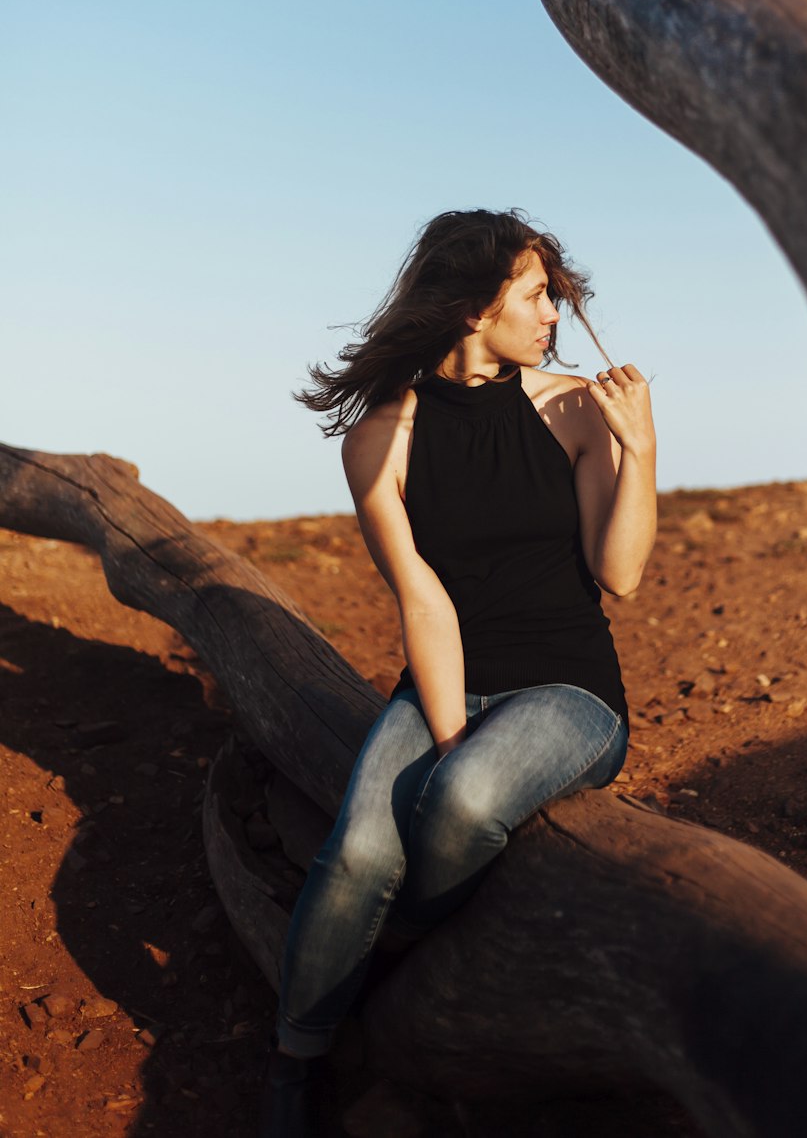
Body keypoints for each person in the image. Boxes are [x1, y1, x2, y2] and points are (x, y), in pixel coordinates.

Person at [260, 208, 657, 1136]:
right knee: (360, 848)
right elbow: (423, 604)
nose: (552, 313)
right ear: (476, 308)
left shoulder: (572, 409)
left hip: (570, 689)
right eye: (534, 296)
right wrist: (446, 738)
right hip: (447, 678)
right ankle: (297, 1061)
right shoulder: (380, 441)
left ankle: (396, 955)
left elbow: (622, 575)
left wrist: (639, 446)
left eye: (551, 296)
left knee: (467, 801)